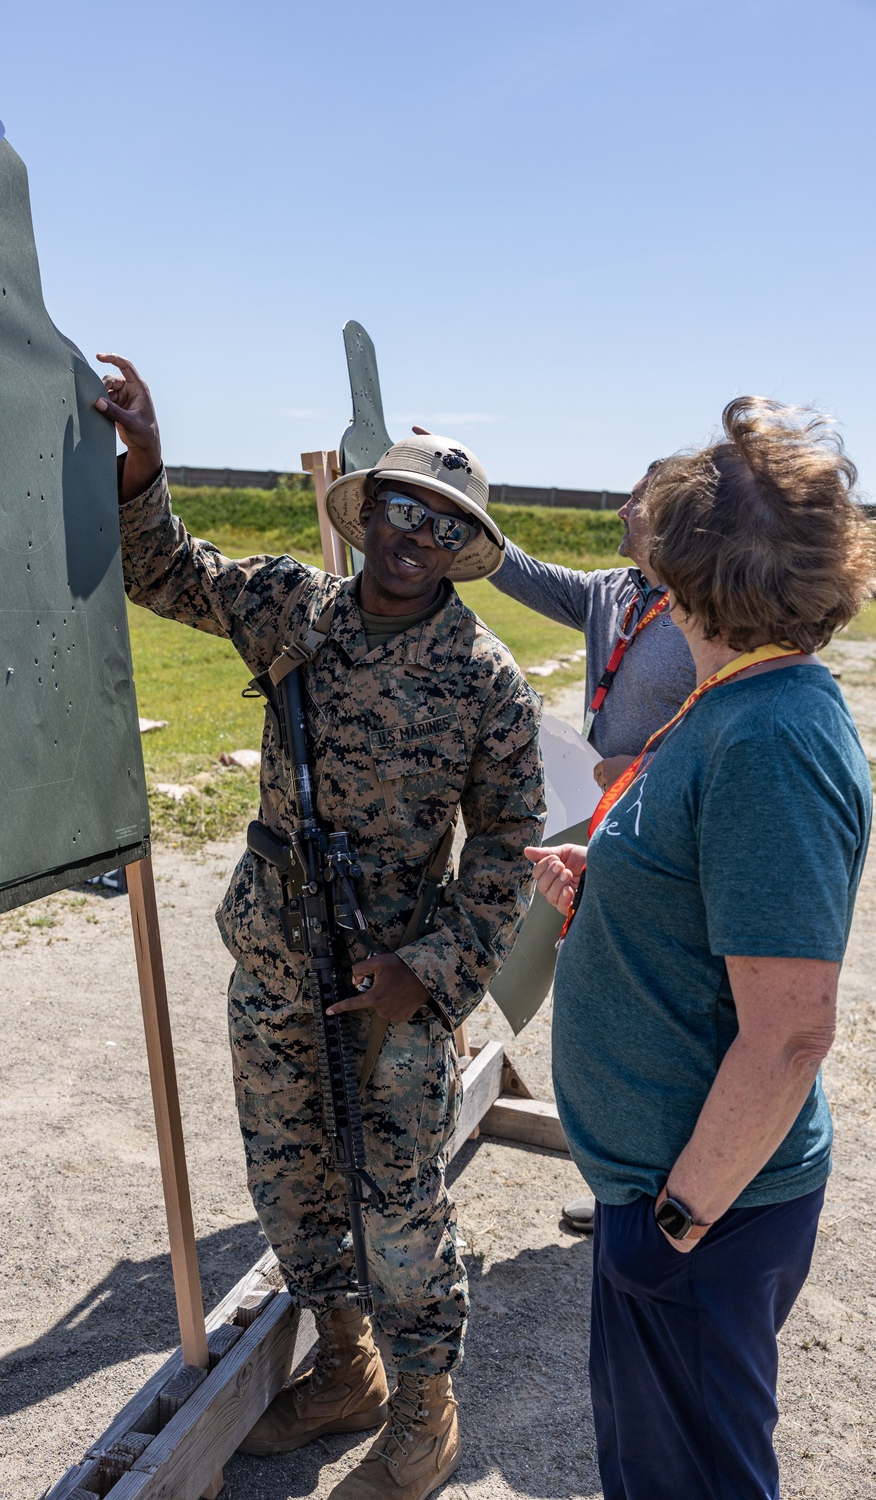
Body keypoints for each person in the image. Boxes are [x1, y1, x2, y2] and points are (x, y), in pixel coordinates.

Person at [96, 356, 544, 1500]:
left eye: (442, 525)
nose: (413, 535)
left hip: (396, 984)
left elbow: (506, 849)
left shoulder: (485, 682)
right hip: (277, 959)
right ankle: (343, 1369)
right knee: (292, 1183)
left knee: (398, 1207)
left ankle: (425, 1414)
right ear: (368, 511)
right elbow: (164, 570)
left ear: (460, 548)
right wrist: (144, 464)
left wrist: (430, 972)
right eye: (400, 507)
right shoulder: (294, 610)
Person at [527, 397, 875, 1499]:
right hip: (670, 1197)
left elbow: (788, 1034)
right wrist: (610, 887)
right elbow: (706, 896)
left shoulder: (771, 736)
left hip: (695, 1212)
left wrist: (674, 1221)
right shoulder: (738, 700)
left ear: (684, 567)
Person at [489, 460, 696, 1233]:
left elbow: (725, 728)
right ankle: (622, 1186)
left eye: (638, 499)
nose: (620, 507)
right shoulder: (609, 592)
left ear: (676, 516)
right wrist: (456, 502)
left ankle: (661, 1192)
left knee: (656, 1011)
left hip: (668, 834)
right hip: (603, 823)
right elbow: (512, 567)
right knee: (599, 998)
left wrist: (640, 767)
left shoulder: (712, 609)